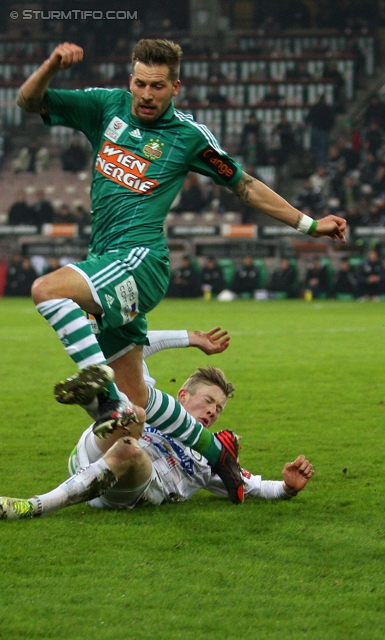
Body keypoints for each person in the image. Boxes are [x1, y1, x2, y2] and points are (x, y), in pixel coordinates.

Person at [17, 39, 345, 484]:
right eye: (140, 83)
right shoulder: (105, 108)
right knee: (137, 408)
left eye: (157, 86)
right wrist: (53, 64)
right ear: (129, 81)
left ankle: (98, 384)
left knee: (46, 289)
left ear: (176, 87)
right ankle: (220, 457)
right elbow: (29, 99)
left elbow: (244, 185)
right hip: (108, 258)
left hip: (140, 259)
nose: (147, 94)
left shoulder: (189, 136)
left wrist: (309, 224)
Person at [0, 364, 314, 520]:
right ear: (183, 396)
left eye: (219, 409)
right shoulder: (162, 409)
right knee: (134, 413)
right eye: (208, 401)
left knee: (130, 447)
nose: (212, 412)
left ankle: (31, 506)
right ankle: (93, 400)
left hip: (127, 486)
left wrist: (287, 487)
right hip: (93, 453)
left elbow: (252, 485)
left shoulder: (211, 453)